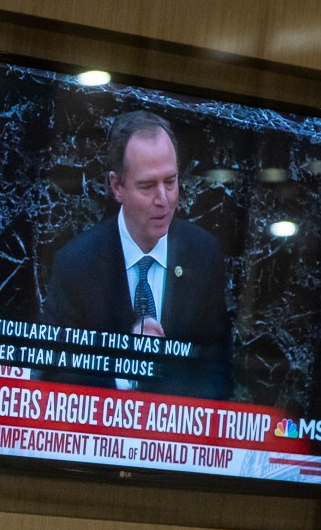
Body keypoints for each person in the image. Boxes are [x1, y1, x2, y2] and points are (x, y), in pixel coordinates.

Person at [41, 110, 233, 400]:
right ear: (117, 185)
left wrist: (164, 371)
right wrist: (125, 370)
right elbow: (55, 379)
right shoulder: (76, 265)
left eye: (170, 181)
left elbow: (218, 374)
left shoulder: (203, 255)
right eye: (147, 186)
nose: (164, 199)